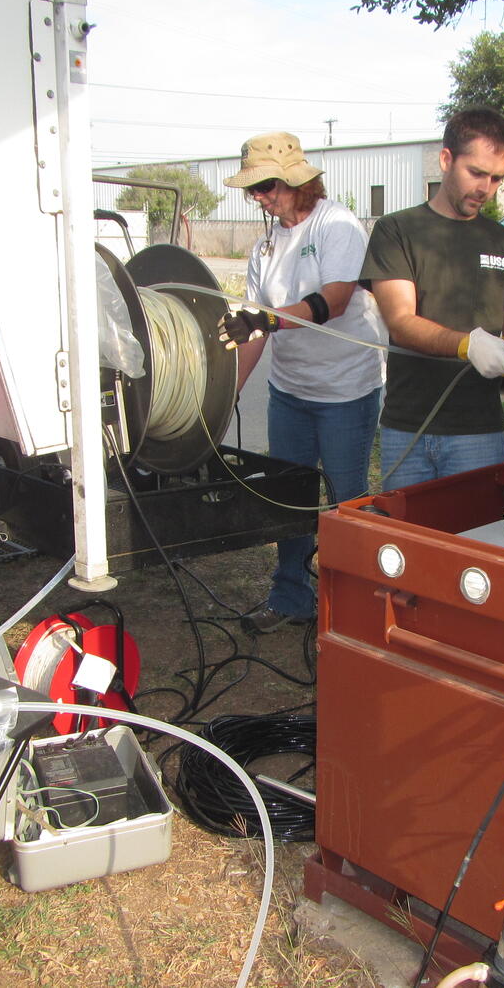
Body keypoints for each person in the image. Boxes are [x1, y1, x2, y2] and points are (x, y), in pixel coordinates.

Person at [217, 132, 384, 633]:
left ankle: (348, 609)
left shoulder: (337, 225)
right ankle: (290, 596)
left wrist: (266, 320)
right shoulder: (264, 246)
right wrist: (226, 397)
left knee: (344, 501)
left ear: (296, 180)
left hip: (345, 390)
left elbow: (333, 302)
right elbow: (252, 333)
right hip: (290, 392)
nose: (259, 198)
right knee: (286, 495)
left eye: (266, 186)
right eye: (252, 190)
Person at [360, 107, 504, 491]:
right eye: (475, 173)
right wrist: (467, 344)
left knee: (475, 538)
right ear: (446, 159)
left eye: (496, 178)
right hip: (407, 428)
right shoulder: (397, 231)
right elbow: (401, 321)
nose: (485, 188)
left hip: (478, 430)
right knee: (407, 545)